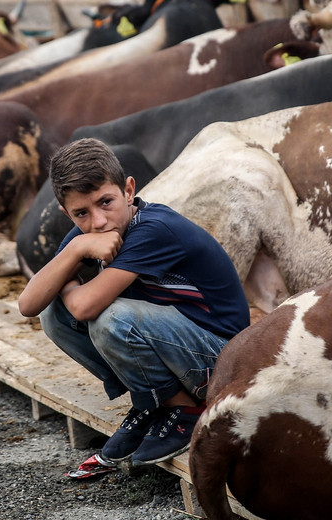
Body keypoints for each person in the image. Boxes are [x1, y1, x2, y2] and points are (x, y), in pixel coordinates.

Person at [18, 138, 250, 474]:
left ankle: (184, 408)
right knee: (52, 314)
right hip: (179, 347)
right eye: (82, 213)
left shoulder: (154, 229)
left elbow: (85, 308)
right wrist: (74, 250)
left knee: (109, 317)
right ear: (65, 213)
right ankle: (152, 402)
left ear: (128, 190)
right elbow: (28, 303)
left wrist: (68, 282)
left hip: (222, 357)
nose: (98, 221)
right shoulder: (87, 235)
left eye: (105, 202)